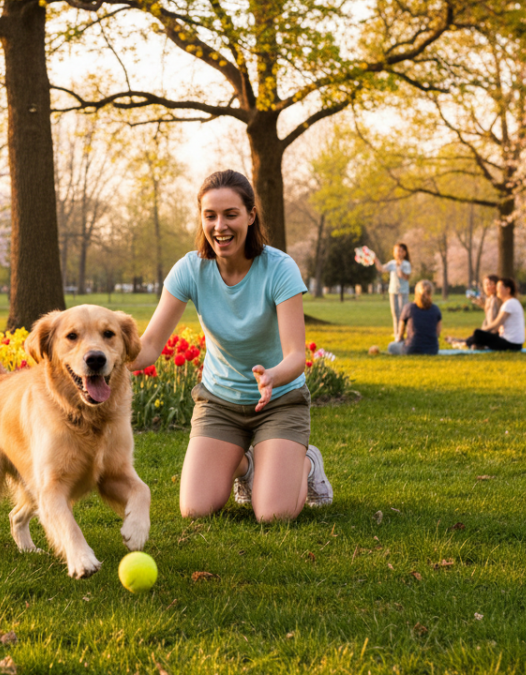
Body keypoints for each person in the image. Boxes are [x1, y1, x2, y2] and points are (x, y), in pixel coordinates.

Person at [129, 169, 333, 522]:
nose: (219, 226)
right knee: (195, 509)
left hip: (279, 401)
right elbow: (148, 346)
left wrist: (272, 376)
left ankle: (305, 462)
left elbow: (297, 357)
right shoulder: (190, 270)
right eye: (210, 215)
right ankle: (250, 462)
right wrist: (97, 361)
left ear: (251, 216)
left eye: (230, 214)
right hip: (219, 404)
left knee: (273, 514)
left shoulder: (279, 269)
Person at [464, 277, 525, 351]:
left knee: (478, 333)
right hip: (514, 344)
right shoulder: (512, 302)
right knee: (481, 334)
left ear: (508, 290)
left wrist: (483, 330)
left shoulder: (509, 303)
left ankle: (469, 343)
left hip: (510, 344)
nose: (497, 289)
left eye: (499, 287)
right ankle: (473, 344)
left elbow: (497, 323)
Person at [388, 280, 441, 355]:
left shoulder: (409, 308)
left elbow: (400, 333)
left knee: (391, 346)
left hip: (411, 348)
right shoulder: (436, 310)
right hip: (432, 349)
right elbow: (437, 333)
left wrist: (401, 339)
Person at [447, 274, 500, 348]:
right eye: (486, 284)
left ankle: (461, 342)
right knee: (475, 336)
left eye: (491, 284)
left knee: (477, 335)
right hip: (489, 330)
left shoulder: (496, 300)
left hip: (494, 332)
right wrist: (484, 306)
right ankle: (462, 342)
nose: (488, 287)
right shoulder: (489, 299)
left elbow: (492, 320)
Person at [374, 243, 412, 342]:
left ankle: (404, 333)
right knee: (395, 314)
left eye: (400, 251)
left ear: (404, 253)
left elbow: (406, 277)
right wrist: (376, 260)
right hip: (393, 291)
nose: (398, 253)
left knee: (403, 314)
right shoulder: (391, 263)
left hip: (403, 292)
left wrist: (399, 267)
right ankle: (397, 334)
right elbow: (382, 269)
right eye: (396, 251)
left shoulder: (406, 264)